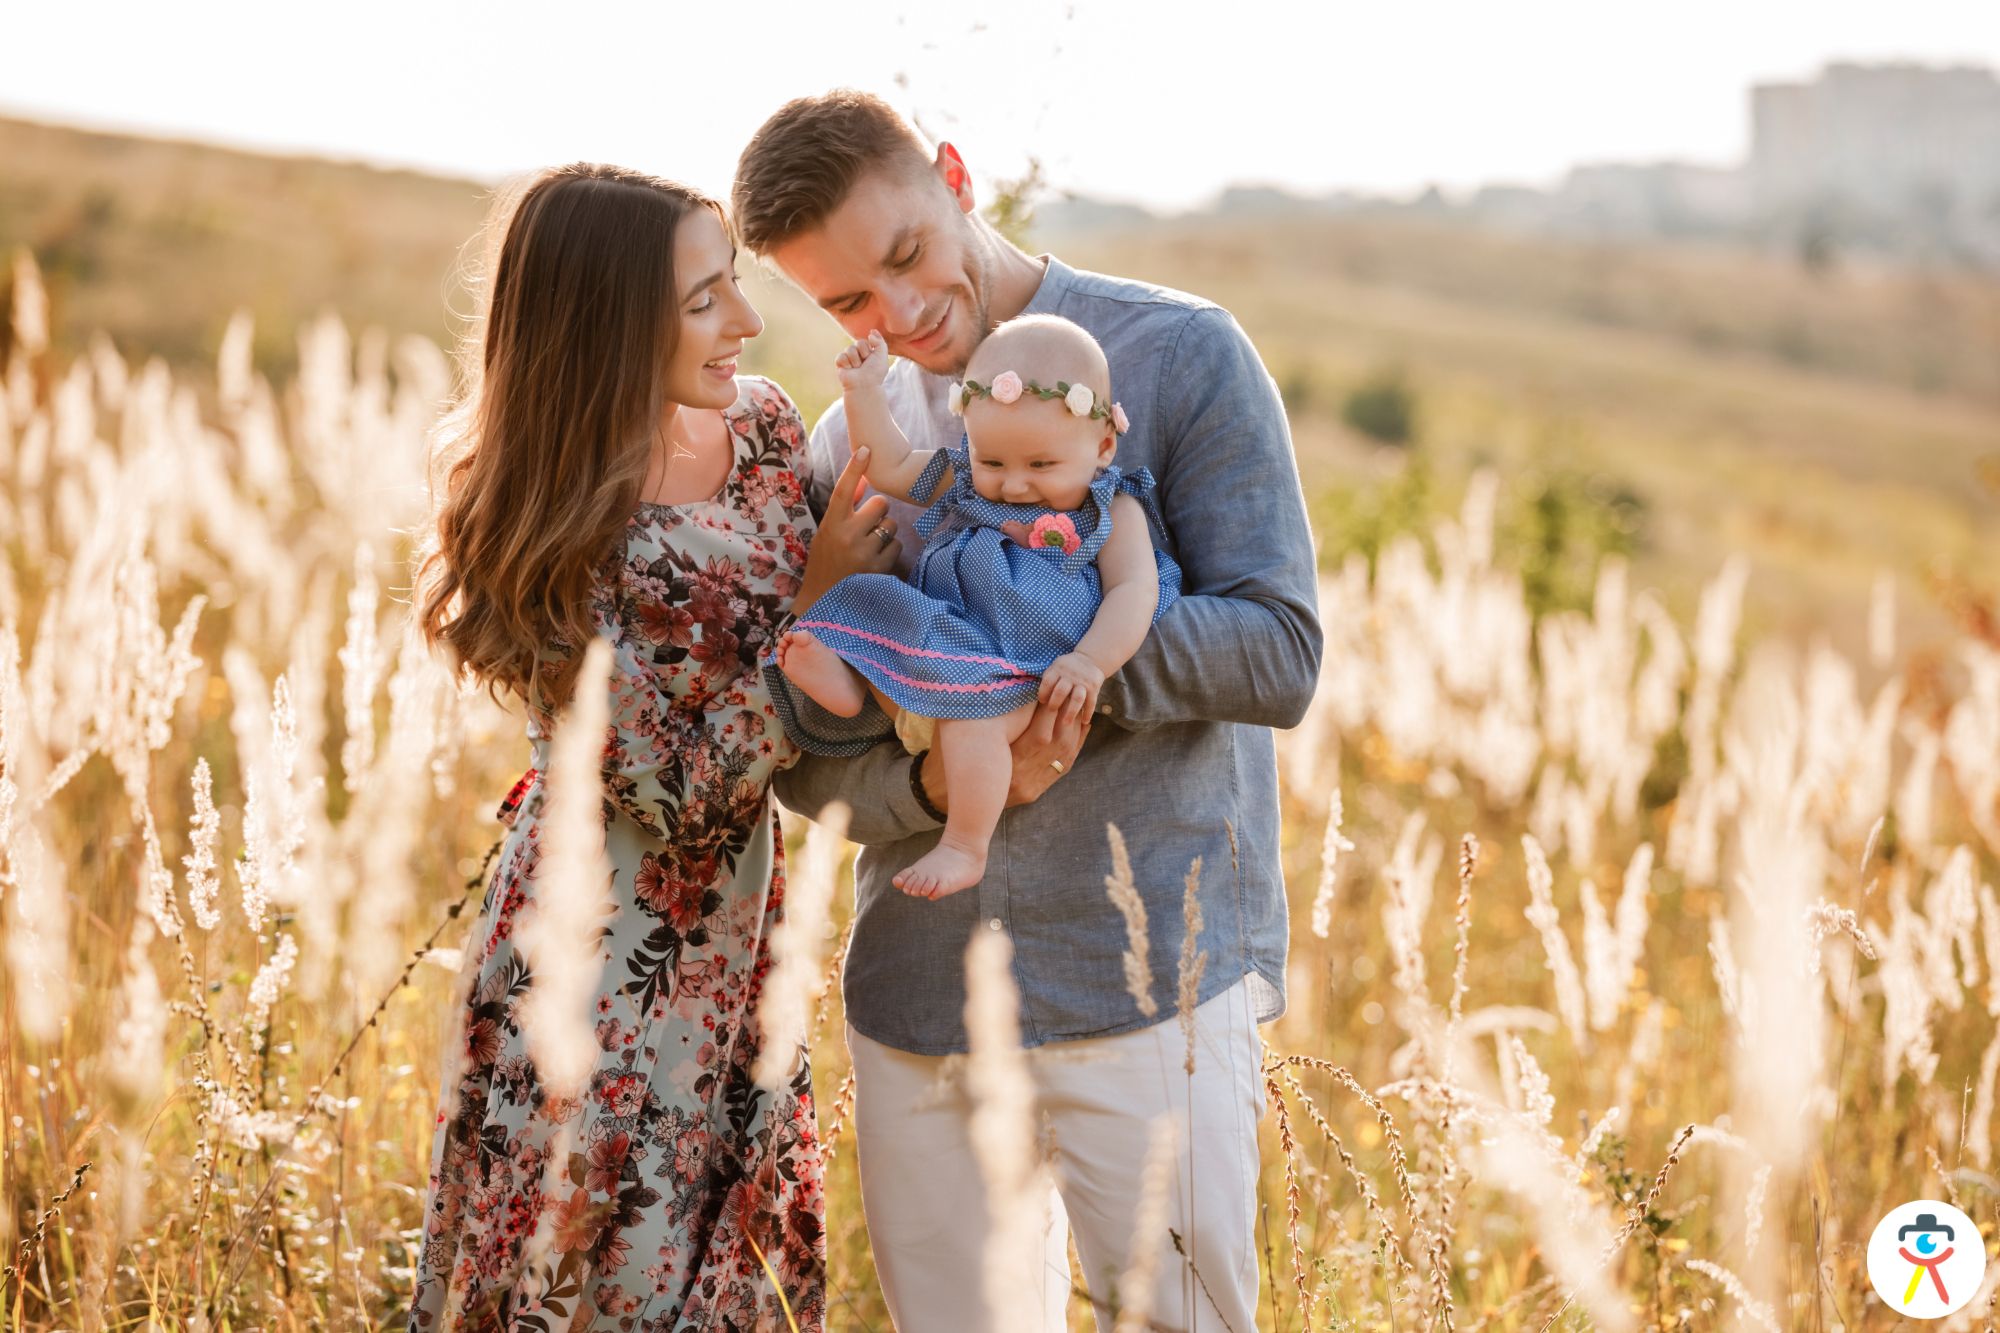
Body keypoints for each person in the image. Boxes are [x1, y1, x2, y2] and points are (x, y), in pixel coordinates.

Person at [734, 92, 1323, 1330]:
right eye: (847, 303)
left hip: (1150, 987)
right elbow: (811, 762)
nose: (900, 314)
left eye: (907, 254)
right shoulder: (852, 444)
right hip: (922, 1005)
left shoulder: (1178, 354)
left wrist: (1039, 671)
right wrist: (932, 781)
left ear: (954, 175)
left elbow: (1278, 651)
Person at [408, 162, 900, 1331]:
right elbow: (677, 793)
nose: (746, 321)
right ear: (609, 321)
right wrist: (813, 607)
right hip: (598, 960)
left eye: (733, 283)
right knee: (588, 1289)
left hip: (742, 951)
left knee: (738, 1287)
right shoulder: (543, 522)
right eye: (702, 299)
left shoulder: (764, 428)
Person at [770, 316, 1182, 899]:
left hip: (1020, 670)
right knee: (869, 599)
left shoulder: (1112, 510)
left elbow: (1134, 591)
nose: (1013, 486)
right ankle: (854, 686)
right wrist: (863, 392)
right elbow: (890, 464)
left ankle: (965, 845)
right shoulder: (963, 477)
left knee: (973, 720)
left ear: (1103, 447)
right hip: (946, 640)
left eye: (1040, 466)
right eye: (994, 463)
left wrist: (1090, 662)